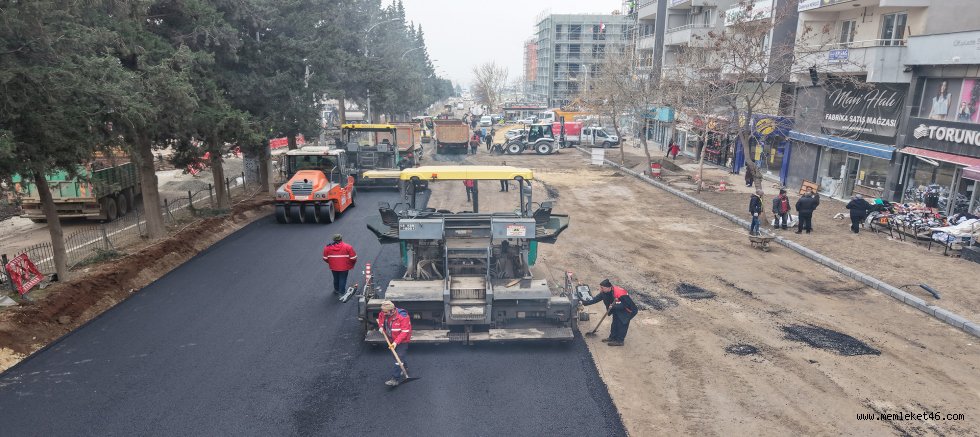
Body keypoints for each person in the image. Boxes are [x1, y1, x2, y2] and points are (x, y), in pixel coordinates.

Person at [582, 279, 638, 346]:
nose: (601, 289)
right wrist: (584, 302)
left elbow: (627, 304)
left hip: (627, 310)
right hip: (617, 309)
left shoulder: (620, 293)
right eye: (601, 287)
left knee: (622, 324)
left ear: (609, 287)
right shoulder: (604, 292)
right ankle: (612, 337)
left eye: (602, 288)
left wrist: (615, 306)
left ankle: (620, 341)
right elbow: (595, 299)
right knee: (614, 324)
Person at [377, 300, 412, 386]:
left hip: (403, 340)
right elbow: (380, 318)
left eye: (385, 312)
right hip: (391, 338)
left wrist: (396, 342)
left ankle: (395, 379)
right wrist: (381, 326)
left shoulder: (403, 317)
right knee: (397, 355)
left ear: (392, 310)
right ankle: (405, 368)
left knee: (398, 358)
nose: (383, 313)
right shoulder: (384, 312)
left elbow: (405, 332)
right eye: (383, 311)